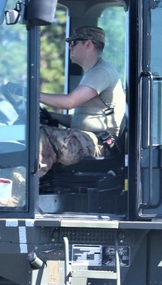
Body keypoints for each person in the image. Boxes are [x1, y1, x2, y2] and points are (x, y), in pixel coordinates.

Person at [38, 26, 125, 176]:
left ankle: (17, 192)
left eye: (74, 43)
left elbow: (69, 102)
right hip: (86, 139)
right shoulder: (93, 72)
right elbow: (82, 118)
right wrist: (50, 115)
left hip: (98, 143)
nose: (70, 47)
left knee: (39, 137)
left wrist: (31, 95)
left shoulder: (101, 71)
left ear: (88, 44)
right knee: (33, 131)